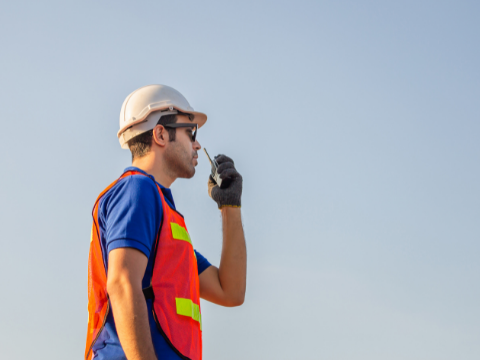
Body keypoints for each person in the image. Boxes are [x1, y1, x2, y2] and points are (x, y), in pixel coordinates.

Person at [85, 84, 246, 360]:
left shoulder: (165, 219)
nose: (196, 144)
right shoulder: (137, 189)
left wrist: (229, 206)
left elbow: (229, 291)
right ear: (160, 134)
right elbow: (123, 282)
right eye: (190, 132)